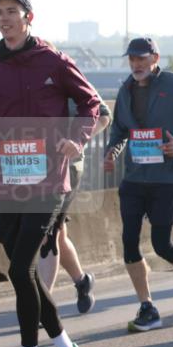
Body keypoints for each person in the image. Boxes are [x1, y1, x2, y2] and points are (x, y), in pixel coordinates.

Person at [0, 0, 100, 347]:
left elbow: (90, 103)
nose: (4, 18)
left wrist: (78, 137)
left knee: (21, 269)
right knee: (29, 277)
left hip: (49, 182)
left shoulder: (53, 61)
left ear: (28, 17)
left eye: (11, 12)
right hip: (7, 183)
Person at [104, 37, 173, 331]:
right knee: (129, 243)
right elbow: (119, 131)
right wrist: (112, 151)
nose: (136, 64)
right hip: (134, 179)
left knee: (162, 244)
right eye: (132, 59)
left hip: (165, 178)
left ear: (155, 58)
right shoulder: (124, 90)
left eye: (141, 58)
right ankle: (147, 306)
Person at [37, 94, 111, 313]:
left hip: (66, 168)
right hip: (35, 168)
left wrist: (77, 142)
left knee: (47, 231)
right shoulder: (21, 75)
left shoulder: (65, 73)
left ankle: (42, 304)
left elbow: (104, 116)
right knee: (58, 232)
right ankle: (82, 280)